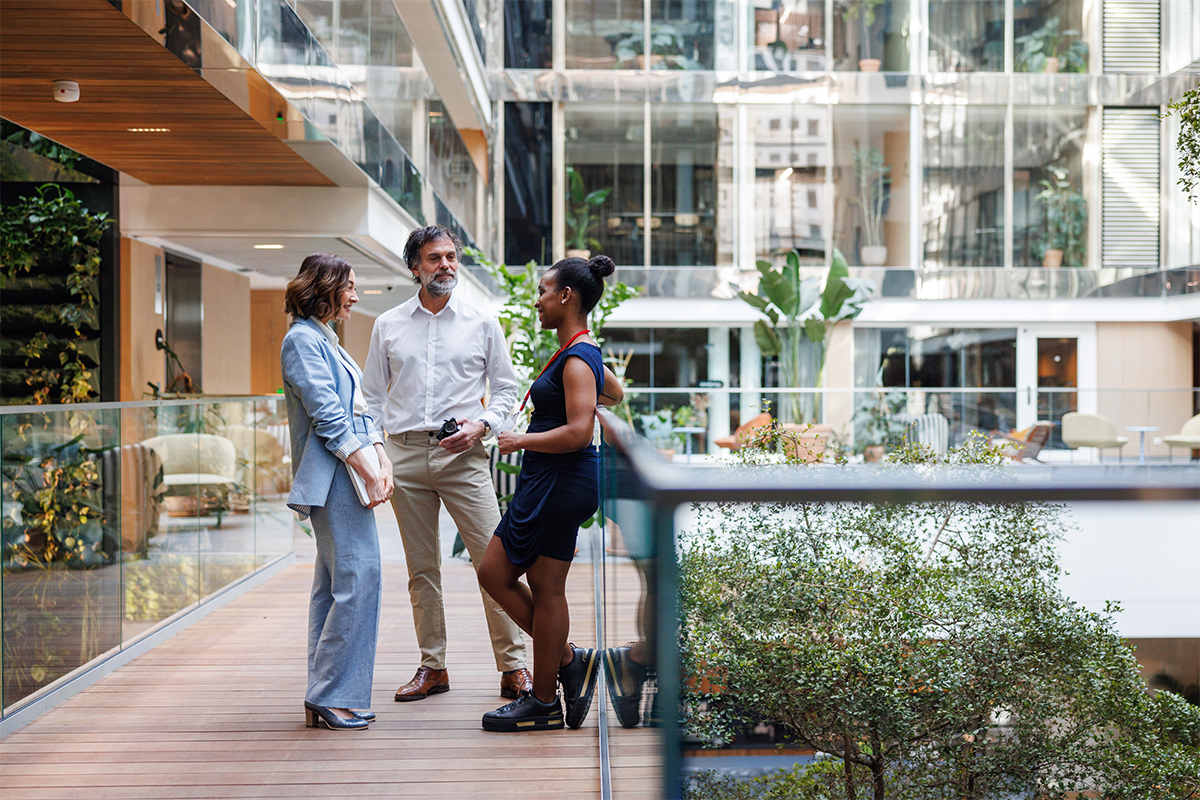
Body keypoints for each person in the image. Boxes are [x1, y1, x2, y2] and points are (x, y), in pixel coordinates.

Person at [362, 225, 532, 702]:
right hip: (404, 454)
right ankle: (433, 666)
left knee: (494, 563)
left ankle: (514, 667)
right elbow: (371, 397)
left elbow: (506, 388)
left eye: (451, 257)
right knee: (422, 569)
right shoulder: (388, 324)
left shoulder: (482, 322)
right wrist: (378, 453)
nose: (446, 265)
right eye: (434, 258)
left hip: (465, 458)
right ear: (414, 267)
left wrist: (483, 426)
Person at [477, 254, 625, 732]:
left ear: (566, 296)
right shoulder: (580, 350)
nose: (537, 300)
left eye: (543, 291)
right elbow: (615, 393)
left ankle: (543, 701)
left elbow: (580, 432)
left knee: (530, 584)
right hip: (553, 479)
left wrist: (520, 440)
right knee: (506, 576)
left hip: (561, 480)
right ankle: (565, 660)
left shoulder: (577, 357)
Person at [281, 253, 393, 731]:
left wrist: (381, 457)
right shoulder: (301, 341)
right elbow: (328, 416)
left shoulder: (326, 339)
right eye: (349, 287)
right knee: (359, 579)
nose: (355, 296)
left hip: (343, 475)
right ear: (323, 288)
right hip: (332, 479)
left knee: (336, 586)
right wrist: (368, 470)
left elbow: (359, 410)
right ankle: (330, 694)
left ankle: (327, 692)